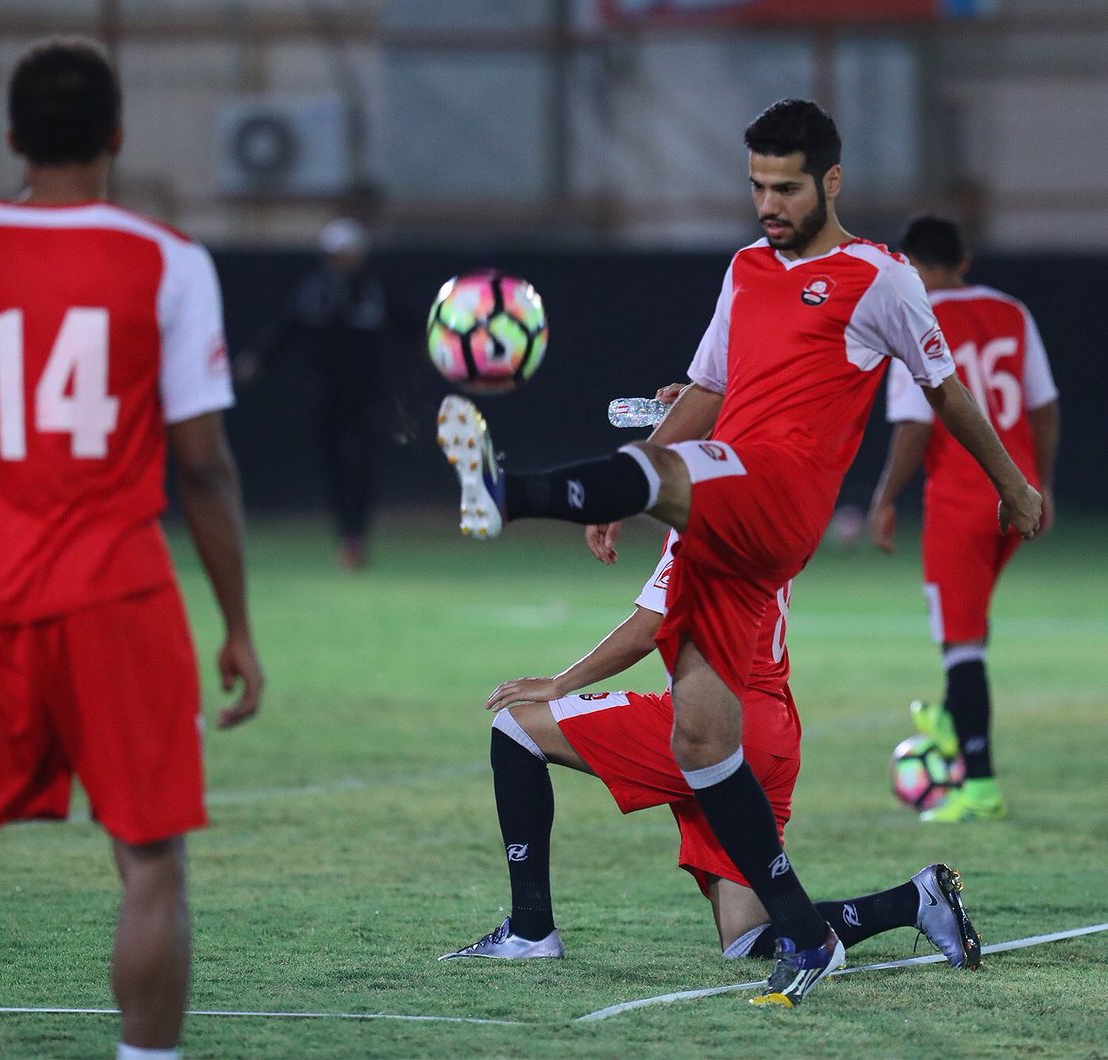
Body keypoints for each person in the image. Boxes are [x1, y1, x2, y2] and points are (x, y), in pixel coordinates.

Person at [436, 98, 1041, 1006]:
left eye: (786, 186)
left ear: (830, 181)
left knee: (670, 480)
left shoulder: (879, 276)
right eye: (756, 184)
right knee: (714, 791)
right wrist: (616, 487)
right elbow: (709, 387)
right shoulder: (745, 271)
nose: (768, 201)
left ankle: (508, 490)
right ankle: (851, 919)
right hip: (736, 560)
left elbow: (945, 392)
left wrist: (1011, 482)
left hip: (782, 488)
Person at [0, 38, 265, 1060]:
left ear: (13, 137)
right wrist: (236, 624)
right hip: (121, 600)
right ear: (116, 136)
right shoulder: (168, 262)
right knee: (151, 861)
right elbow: (202, 467)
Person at [439, 529, 981, 971]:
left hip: (711, 722)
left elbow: (648, 627)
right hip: (771, 729)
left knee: (516, 727)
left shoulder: (708, 510)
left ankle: (530, 929)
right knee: (748, 939)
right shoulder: (766, 503)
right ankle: (915, 900)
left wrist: (560, 682)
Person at [868, 214, 1060, 823]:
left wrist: (884, 498)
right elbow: (1044, 406)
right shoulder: (1013, 311)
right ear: (965, 262)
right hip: (1016, 492)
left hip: (960, 498)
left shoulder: (918, 319)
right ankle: (951, 724)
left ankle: (976, 782)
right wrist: (1041, 485)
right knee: (970, 626)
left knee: (961, 644)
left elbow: (917, 425)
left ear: (911, 267)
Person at [234, 216, 394, 570]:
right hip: (327, 392)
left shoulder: (374, 290)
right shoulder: (315, 290)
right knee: (335, 463)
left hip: (369, 394)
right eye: (338, 253)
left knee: (364, 463)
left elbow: (407, 326)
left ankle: (358, 534)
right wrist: (256, 359)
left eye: (350, 253)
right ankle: (346, 535)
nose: (344, 260)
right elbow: (286, 328)